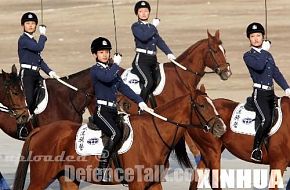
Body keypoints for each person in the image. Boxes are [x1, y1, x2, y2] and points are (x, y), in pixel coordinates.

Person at [90, 37, 151, 181]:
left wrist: (140, 101)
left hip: (113, 111)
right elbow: (106, 78)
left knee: (126, 133)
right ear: (95, 55)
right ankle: (101, 168)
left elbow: (124, 88)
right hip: (102, 112)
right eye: (101, 52)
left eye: (107, 52)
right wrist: (116, 64)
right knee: (115, 134)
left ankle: (119, 168)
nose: (105, 55)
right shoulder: (96, 70)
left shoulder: (112, 71)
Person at [243, 22, 290, 162]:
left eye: (259, 35)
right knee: (266, 120)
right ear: (249, 39)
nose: (256, 38)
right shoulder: (248, 56)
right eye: (253, 36)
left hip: (271, 94)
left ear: (263, 37)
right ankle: (256, 149)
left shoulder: (267, 55)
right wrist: (264, 50)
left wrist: (287, 88)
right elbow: (259, 65)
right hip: (260, 95)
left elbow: (275, 72)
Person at [17, 12, 59, 139]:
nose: (30, 26)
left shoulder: (32, 40)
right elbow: (38, 48)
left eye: (33, 23)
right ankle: (21, 127)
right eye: (28, 23)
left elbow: (39, 60)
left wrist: (50, 71)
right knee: (29, 100)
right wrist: (43, 35)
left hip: (36, 73)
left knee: (48, 93)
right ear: (23, 25)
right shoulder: (23, 40)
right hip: (27, 75)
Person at [131, 1, 176, 103]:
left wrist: (169, 53)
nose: (143, 13)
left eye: (146, 11)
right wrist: (153, 26)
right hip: (141, 60)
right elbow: (143, 37)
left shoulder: (151, 28)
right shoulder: (136, 26)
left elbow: (159, 41)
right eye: (140, 11)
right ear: (137, 13)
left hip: (153, 60)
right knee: (148, 82)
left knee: (160, 81)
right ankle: (140, 107)